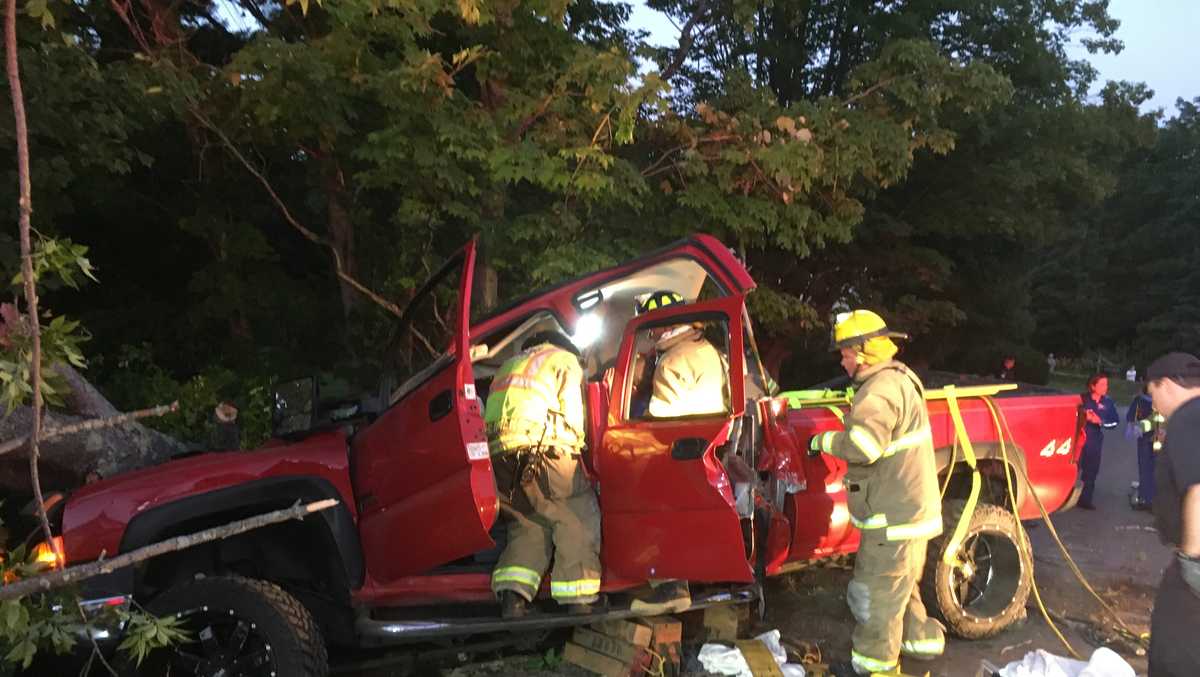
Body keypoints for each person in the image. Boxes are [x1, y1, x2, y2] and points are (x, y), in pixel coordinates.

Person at [807, 309, 945, 676]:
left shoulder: (879, 389)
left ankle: (874, 667)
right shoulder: (897, 378)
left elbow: (864, 446)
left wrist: (823, 439)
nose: (842, 358)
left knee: (875, 596)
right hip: (910, 515)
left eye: (846, 352)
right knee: (900, 586)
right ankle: (922, 642)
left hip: (893, 518)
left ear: (865, 350)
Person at [484, 331, 601, 618]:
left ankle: (514, 599)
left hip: (499, 459)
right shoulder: (564, 360)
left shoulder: (508, 365)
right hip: (543, 450)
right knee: (576, 515)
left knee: (528, 525)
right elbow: (574, 417)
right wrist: (579, 452)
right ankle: (580, 600)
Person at [629, 290, 729, 614]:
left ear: (664, 325)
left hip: (677, 450)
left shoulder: (673, 360)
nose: (652, 334)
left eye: (653, 327)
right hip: (703, 448)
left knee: (645, 509)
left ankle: (669, 586)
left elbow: (660, 422)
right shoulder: (705, 350)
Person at [1144, 352, 1200, 676]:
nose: (1154, 407)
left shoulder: (1189, 416)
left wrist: (1193, 565)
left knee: (1173, 654)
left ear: (1164, 384)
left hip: (1192, 576)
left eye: (1152, 395)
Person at [1077, 373, 1120, 510]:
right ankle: (1064, 497)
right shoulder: (1081, 399)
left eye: (1106, 384)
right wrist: (1083, 416)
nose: (1105, 387)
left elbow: (1114, 422)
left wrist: (1100, 421)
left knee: (1091, 471)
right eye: (1102, 384)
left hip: (1095, 441)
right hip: (1079, 439)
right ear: (1092, 386)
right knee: (1074, 468)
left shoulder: (1108, 402)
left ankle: (1085, 499)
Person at [1126, 387, 1165, 510]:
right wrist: (1138, 427)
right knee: (1149, 468)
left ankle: (1149, 499)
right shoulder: (1155, 400)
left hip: (1158, 438)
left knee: (1151, 468)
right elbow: (1153, 419)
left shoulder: (1165, 401)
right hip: (1152, 438)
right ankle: (1147, 498)